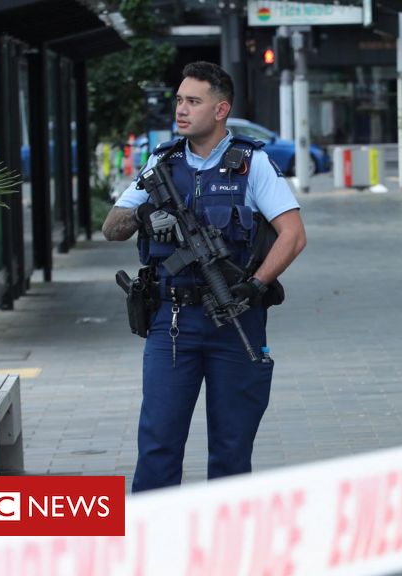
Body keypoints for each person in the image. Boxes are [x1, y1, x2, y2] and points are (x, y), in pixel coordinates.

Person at [102, 61, 306, 492]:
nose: (181, 109)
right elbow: (111, 228)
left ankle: (223, 550)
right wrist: (144, 213)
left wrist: (255, 284)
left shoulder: (252, 164)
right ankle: (151, 546)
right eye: (179, 99)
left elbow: (293, 236)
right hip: (172, 322)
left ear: (220, 110)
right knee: (158, 444)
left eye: (193, 101)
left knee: (232, 449)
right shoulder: (162, 163)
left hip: (235, 317)